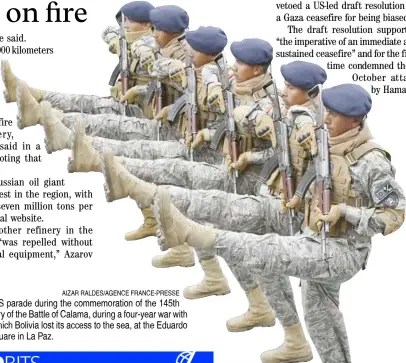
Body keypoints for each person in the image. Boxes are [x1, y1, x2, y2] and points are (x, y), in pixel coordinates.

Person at [102, 83, 405, 363]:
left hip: (343, 249)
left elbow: (395, 214)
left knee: (268, 250)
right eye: (327, 113)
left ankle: (195, 234)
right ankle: (298, 345)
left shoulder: (371, 161)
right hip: (312, 233)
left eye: (336, 116)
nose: (327, 119)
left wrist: (346, 213)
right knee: (320, 317)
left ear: (356, 121)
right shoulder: (323, 143)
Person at [93, 61, 327, 335]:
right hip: (261, 187)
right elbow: (272, 151)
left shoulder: (302, 121)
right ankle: (249, 301)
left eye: (291, 87)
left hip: (274, 198)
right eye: (285, 85)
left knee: (221, 225)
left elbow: (316, 166)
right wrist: (242, 152)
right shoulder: (282, 109)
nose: (285, 91)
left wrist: (300, 193)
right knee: (213, 223)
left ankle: (126, 178)